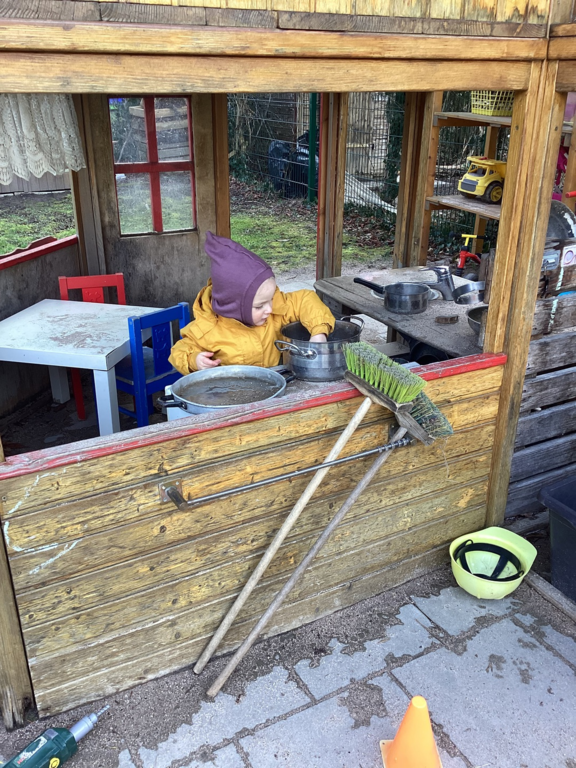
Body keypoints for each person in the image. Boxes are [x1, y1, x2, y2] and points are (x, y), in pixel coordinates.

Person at [169, 231, 335, 374]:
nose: (269, 309)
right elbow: (178, 352)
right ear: (234, 307)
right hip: (231, 394)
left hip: (274, 383)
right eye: (259, 306)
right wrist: (195, 360)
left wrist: (319, 332)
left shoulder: (276, 310)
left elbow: (306, 299)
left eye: (270, 299)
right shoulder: (207, 329)